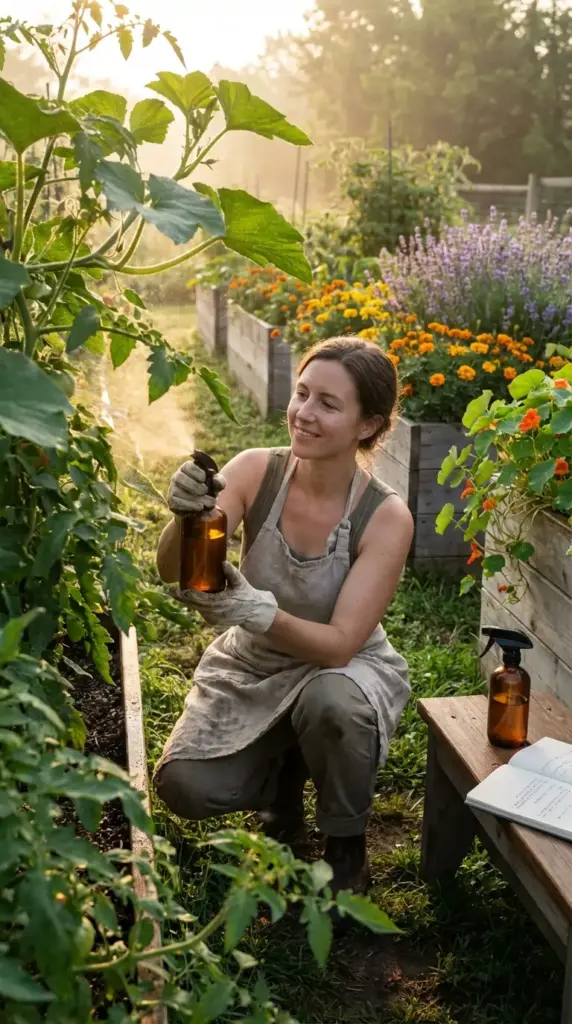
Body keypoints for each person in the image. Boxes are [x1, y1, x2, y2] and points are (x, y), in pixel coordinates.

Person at [153, 337, 413, 898]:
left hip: (341, 669)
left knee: (332, 704)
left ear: (367, 426)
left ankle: (345, 846)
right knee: (184, 786)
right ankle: (283, 785)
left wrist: (259, 610)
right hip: (255, 663)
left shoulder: (385, 516)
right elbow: (178, 568)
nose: (304, 413)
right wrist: (185, 517)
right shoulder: (255, 472)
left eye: (328, 403)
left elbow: (342, 644)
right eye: (301, 393)